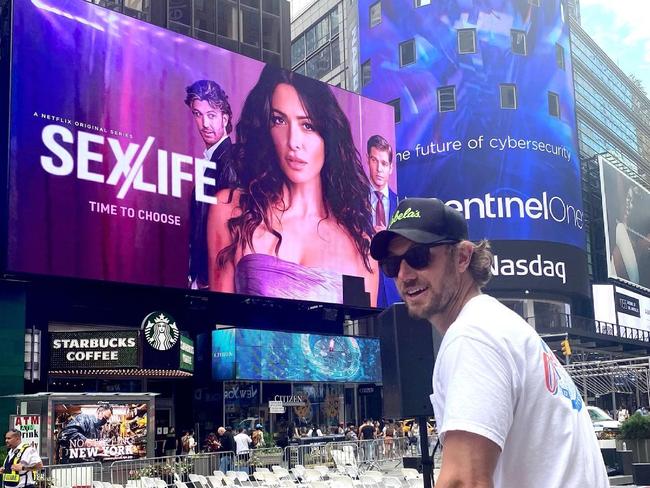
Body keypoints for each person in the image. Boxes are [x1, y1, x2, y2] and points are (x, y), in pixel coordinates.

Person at [369, 197, 609, 487]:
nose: (405, 275)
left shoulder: (473, 336)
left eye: (419, 257)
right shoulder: (496, 324)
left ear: (462, 257)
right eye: (392, 265)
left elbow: (464, 481)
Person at [207, 65, 378, 305]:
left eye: (307, 125)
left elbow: (360, 337)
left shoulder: (360, 243)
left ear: (329, 135)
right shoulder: (230, 210)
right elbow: (219, 327)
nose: (293, 142)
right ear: (266, 129)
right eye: (279, 121)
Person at [185, 80, 238, 290]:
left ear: (225, 118)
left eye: (211, 115)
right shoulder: (212, 160)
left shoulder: (229, 161)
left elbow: (229, 229)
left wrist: (208, 280)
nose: (204, 123)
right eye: (198, 114)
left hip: (215, 282)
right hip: (203, 279)